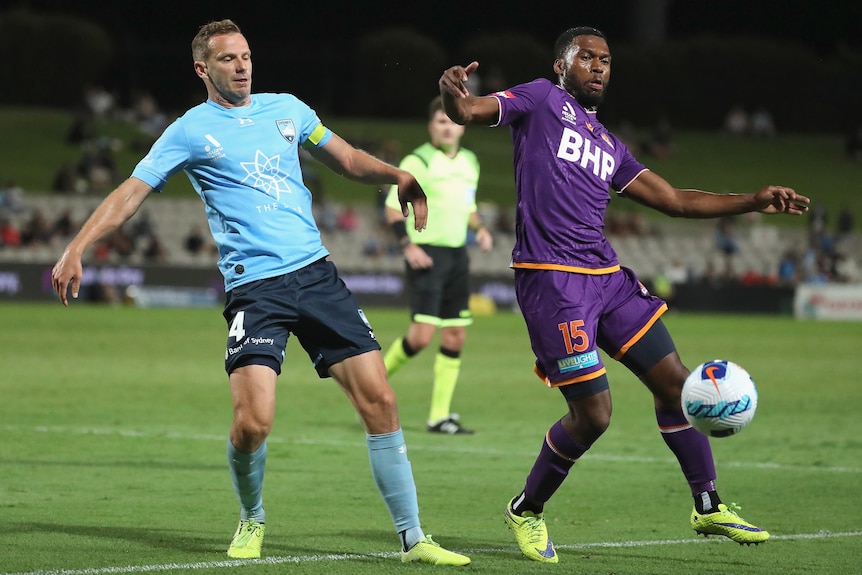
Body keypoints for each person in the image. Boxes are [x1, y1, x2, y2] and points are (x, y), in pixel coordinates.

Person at [51, 19, 470, 567]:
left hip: (317, 276)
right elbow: (131, 193)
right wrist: (77, 245)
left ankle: (414, 538)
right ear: (203, 69)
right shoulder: (188, 130)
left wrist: (398, 177)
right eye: (228, 59)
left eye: (246, 55)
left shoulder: (288, 110)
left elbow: (345, 158)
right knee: (253, 424)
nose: (243, 65)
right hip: (256, 290)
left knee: (382, 401)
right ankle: (252, 517)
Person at [439, 26, 810, 564]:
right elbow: (467, 112)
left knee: (678, 386)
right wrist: (453, 92)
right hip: (552, 281)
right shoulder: (541, 100)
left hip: (607, 278)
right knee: (594, 414)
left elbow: (675, 200)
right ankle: (526, 509)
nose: (599, 67)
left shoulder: (608, 143)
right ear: (561, 65)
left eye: (606, 60)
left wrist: (751, 200)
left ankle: (707, 505)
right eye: (587, 58)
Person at [381, 96, 493, 435]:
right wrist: (408, 245)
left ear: (462, 124)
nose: (447, 127)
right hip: (427, 254)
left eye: (452, 121)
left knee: (456, 335)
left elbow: (467, 206)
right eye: (441, 122)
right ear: (432, 126)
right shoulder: (418, 161)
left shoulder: (471, 162)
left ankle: (439, 416)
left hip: (457, 256)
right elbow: (391, 208)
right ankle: (369, 391)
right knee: (420, 338)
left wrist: (481, 229)